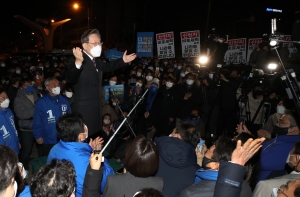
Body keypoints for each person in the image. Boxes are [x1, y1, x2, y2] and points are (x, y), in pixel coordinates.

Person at [66, 29, 136, 137]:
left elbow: (108, 66)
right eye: (94, 43)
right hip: (84, 111)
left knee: (95, 141)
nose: (98, 46)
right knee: (84, 141)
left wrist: (123, 60)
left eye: (99, 43)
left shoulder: (97, 61)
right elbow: (70, 79)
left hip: (97, 108)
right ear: (84, 45)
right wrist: (78, 63)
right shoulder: (76, 60)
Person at [47, 112, 113, 197]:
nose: (85, 127)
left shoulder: (53, 149)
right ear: (81, 137)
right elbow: (108, 181)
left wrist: (88, 149)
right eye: (83, 125)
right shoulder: (87, 162)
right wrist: (98, 153)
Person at [155, 122, 201, 197]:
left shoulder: (154, 152)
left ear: (178, 136)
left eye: (172, 133)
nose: (170, 135)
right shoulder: (197, 171)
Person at [33, 77, 71, 156]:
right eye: (54, 85)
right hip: (48, 138)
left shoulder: (64, 100)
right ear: (48, 88)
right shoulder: (41, 102)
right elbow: (37, 120)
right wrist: (38, 135)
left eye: (58, 84)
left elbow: (70, 117)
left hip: (63, 137)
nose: (57, 86)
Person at [14, 77, 39, 170]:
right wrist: (36, 109)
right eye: (26, 85)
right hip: (27, 129)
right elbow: (21, 114)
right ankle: (24, 170)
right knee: (26, 150)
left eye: (30, 84)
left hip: (37, 126)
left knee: (40, 147)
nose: (29, 87)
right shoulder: (19, 99)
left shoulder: (36, 94)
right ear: (21, 88)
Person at [0, 88, 20, 154]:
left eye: (7, 97)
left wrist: (17, 141)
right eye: (3, 98)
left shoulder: (9, 111)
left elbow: (14, 129)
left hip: (14, 147)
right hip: (5, 153)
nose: (7, 100)